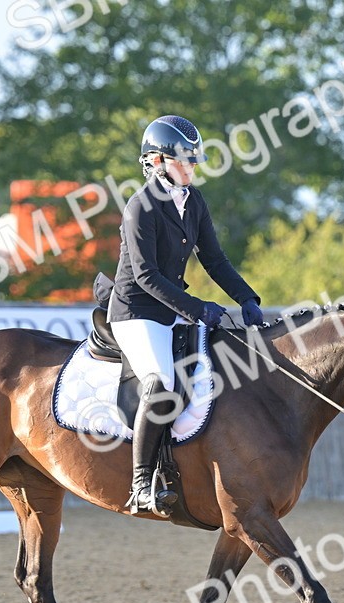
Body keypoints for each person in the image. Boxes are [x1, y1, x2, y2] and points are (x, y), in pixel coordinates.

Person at [107, 114, 265, 516]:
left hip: (172, 307)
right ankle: (140, 483)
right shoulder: (140, 207)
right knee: (162, 382)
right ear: (157, 162)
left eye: (194, 161)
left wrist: (246, 297)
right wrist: (199, 309)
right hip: (136, 311)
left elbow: (214, 259)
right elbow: (146, 276)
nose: (192, 168)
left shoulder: (193, 201)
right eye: (184, 161)